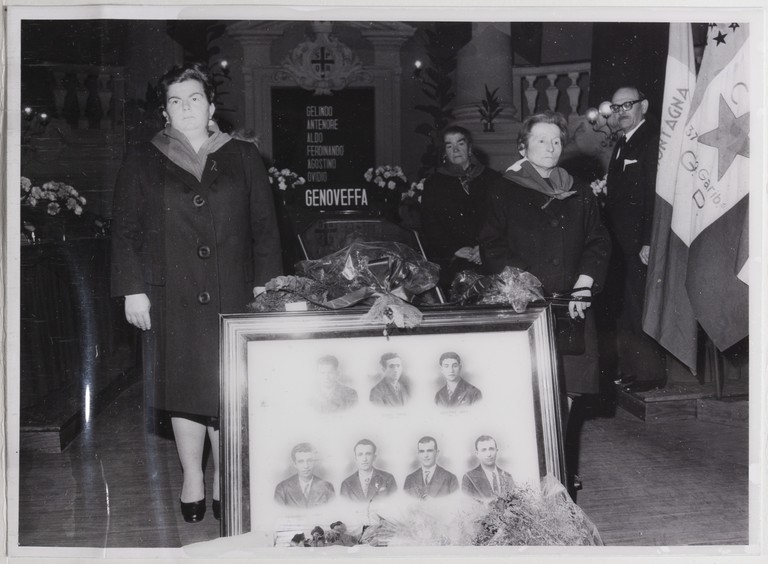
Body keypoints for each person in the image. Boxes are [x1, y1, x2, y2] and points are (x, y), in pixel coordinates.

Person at [111, 62, 282, 523]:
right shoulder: (143, 158)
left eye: (194, 99)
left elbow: (266, 231)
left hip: (234, 295)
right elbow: (125, 231)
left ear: (210, 106)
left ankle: (226, 476)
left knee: (227, 391)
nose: (185, 107)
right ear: (165, 112)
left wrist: (266, 286)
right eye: (174, 100)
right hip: (171, 295)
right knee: (184, 389)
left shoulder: (244, 156)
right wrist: (132, 290)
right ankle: (193, 476)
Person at [478, 111, 611, 398]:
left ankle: (560, 443)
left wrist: (585, 284)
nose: (550, 148)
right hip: (525, 302)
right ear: (523, 148)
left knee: (571, 388)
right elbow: (491, 244)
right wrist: (523, 281)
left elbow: (597, 239)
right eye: (541, 141)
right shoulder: (503, 188)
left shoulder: (579, 189)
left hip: (572, 303)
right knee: (527, 389)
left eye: (556, 141)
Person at [600, 86, 667, 392]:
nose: (621, 111)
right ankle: (631, 371)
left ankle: (649, 374)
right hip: (620, 242)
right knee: (625, 309)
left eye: (627, 105)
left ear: (644, 105)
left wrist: (649, 240)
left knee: (640, 307)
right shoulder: (622, 143)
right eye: (616, 107)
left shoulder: (650, 141)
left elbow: (655, 195)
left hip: (639, 243)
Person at [420, 125, 500, 291]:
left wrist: (485, 249)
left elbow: (501, 218)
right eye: (449, 145)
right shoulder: (434, 183)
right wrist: (454, 249)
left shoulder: (493, 179)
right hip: (454, 262)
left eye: (460, 144)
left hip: (491, 258)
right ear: (445, 152)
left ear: (469, 148)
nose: (455, 150)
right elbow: (429, 224)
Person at [274, 443, 335, 508]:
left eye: (309, 461)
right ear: (295, 464)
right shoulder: (282, 489)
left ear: (314, 462)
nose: (306, 466)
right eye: (301, 461)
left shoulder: (327, 487)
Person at [461, 435, 515, 499]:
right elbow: (467, 505)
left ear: (496, 451)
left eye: (491, 449)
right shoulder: (469, 478)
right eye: (484, 450)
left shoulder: (508, 477)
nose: (489, 454)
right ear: (477, 454)